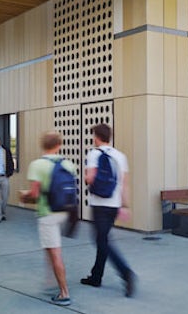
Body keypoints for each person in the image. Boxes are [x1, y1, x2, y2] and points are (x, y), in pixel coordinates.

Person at [19, 131, 76, 306]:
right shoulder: (68, 164)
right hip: (65, 211)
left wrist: (24, 196)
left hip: (47, 213)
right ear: (59, 145)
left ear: (42, 145)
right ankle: (51, 280)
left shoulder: (37, 165)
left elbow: (35, 194)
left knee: (55, 252)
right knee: (50, 248)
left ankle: (64, 293)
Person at [80, 123, 136, 297]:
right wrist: (125, 206)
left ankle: (126, 272)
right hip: (114, 204)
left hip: (99, 204)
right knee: (102, 239)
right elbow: (125, 184)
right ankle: (96, 277)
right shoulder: (120, 156)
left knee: (101, 241)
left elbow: (90, 178)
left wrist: (85, 177)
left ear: (97, 137)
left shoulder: (94, 154)